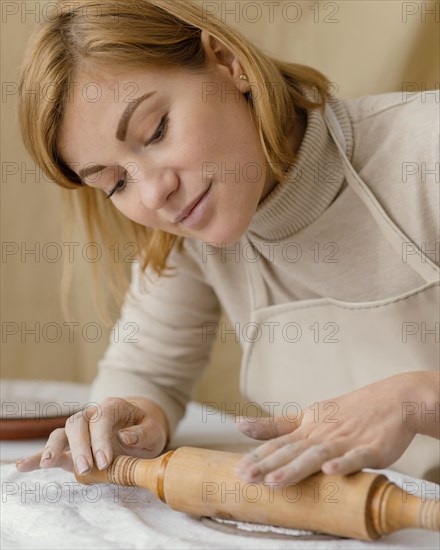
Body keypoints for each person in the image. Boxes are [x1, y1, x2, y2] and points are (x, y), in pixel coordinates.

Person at [15, 0, 439, 484]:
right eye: (115, 183)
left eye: (155, 131)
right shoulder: (189, 234)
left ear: (227, 62)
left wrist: (418, 398)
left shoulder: (426, 148)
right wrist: (129, 415)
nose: (155, 193)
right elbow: (145, 373)